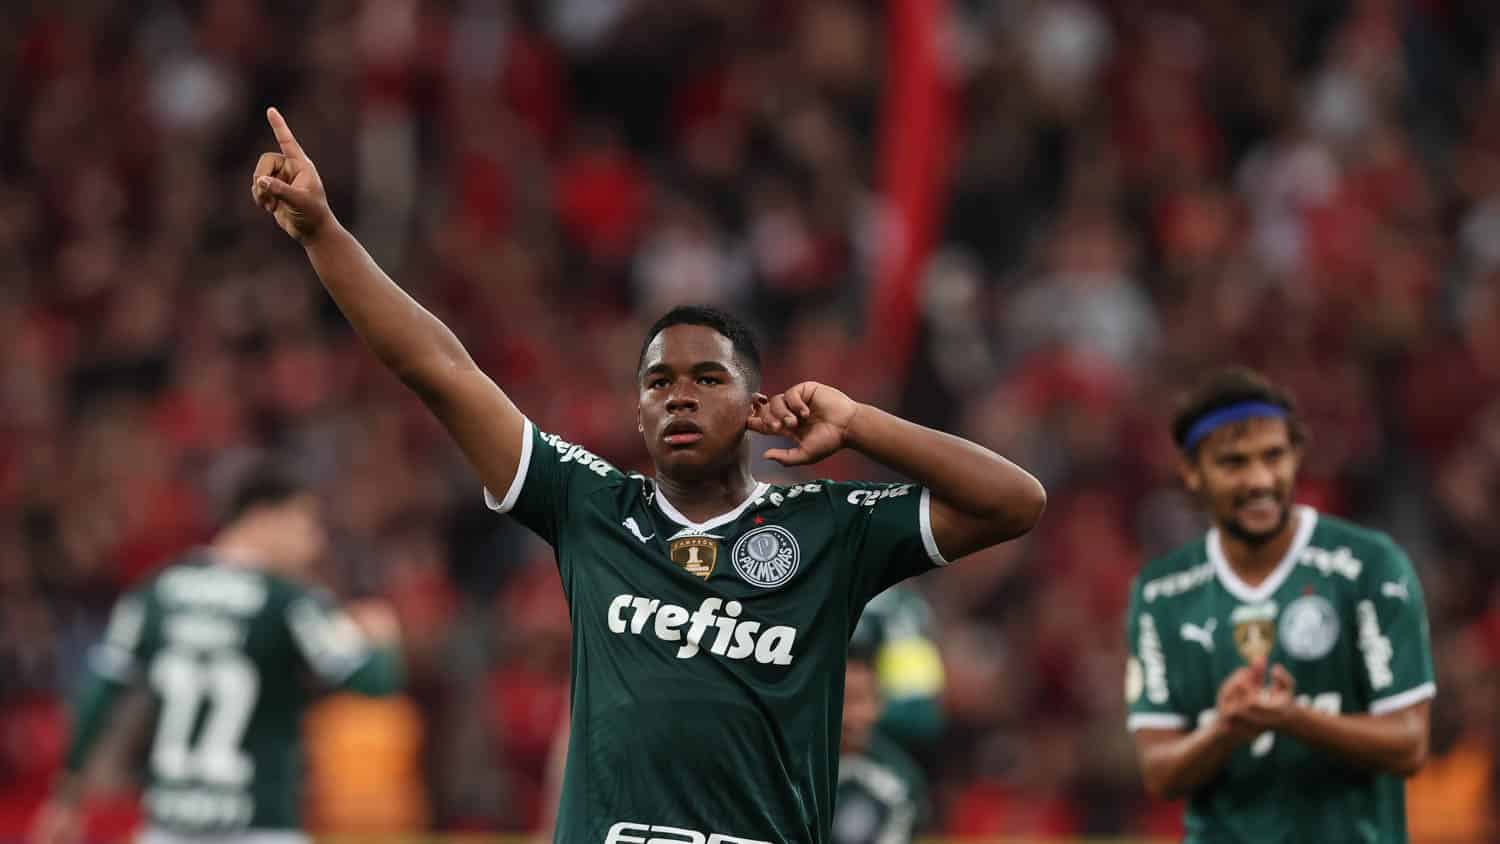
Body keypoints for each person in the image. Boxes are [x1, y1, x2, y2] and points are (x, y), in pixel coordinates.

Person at [249, 107, 1046, 842]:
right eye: (659, 384)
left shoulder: (828, 527)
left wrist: (864, 423)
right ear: (638, 415)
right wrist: (323, 232)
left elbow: (1015, 501)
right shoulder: (591, 505)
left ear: (757, 405)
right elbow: (438, 368)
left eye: (708, 379)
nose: (681, 397)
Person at [1124, 368, 1435, 843]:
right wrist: (1226, 730)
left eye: (1274, 456)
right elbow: (1159, 772)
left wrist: (1295, 719)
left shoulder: (1369, 566)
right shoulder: (1161, 594)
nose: (1260, 480)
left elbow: (1410, 742)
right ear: (1191, 472)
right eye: (1233, 463)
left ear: (1297, 455)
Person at [30, 464, 403, 844]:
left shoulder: (156, 592)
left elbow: (100, 694)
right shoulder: (289, 602)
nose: (315, 542)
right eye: (305, 524)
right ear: (263, 516)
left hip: (168, 827)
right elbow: (373, 684)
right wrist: (382, 640)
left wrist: (67, 797)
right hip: (260, 825)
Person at [831, 644, 926, 844]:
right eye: (843, 700)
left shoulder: (898, 781)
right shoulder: (786, 764)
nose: (854, 715)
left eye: (862, 699)